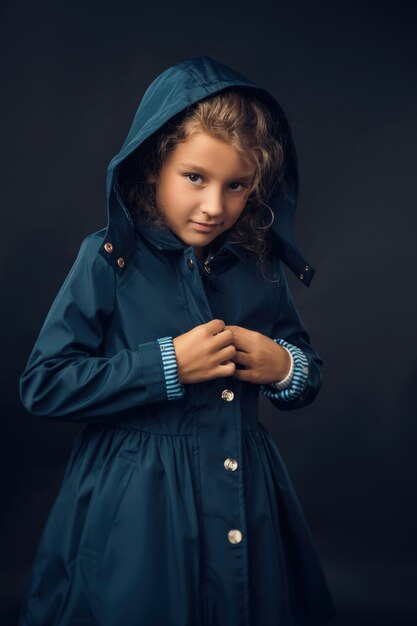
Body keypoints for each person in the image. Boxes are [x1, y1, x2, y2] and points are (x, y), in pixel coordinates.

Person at [18, 56, 337, 626]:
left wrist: (284, 366)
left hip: (247, 490)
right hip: (134, 504)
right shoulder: (110, 259)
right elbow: (44, 385)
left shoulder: (259, 266)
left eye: (236, 185)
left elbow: (306, 372)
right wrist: (167, 364)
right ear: (152, 168)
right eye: (195, 178)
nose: (215, 206)